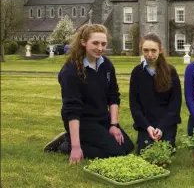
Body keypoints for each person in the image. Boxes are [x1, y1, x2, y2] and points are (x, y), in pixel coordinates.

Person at [43, 24, 134, 164]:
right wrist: (75, 147)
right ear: (83, 42)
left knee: (127, 147)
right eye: (95, 43)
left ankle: (73, 139)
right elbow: (72, 110)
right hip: (82, 121)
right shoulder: (70, 72)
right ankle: (66, 144)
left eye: (103, 44)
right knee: (115, 153)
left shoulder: (107, 65)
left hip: (103, 118)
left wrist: (114, 125)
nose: (100, 48)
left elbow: (113, 96)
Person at [129, 33, 182, 154]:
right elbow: (134, 105)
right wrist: (147, 127)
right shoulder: (137, 73)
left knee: (165, 152)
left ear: (161, 50)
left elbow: (175, 104)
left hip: (165, 123)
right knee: (145, 151)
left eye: (153, 50)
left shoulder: (170, 71)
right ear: (141, 50)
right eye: (146, 50)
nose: (150, 55)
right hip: (146, 124)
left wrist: (162, 127)